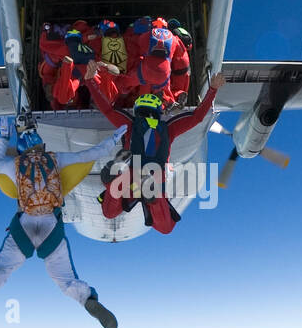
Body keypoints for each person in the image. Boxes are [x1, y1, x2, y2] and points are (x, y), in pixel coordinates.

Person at [0, 118, 124, 328]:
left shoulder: (13, 165)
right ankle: (87, 300)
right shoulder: (56, 159)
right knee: (65, 280)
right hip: (51, 227)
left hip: (24, 227)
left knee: (3, 268)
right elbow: (88, 155)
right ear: (42, 146)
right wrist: (113, 139)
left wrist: (3, 138)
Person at [85, 67, 226, 234]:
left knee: (109, 213)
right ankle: (152, 196)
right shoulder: (168, 128)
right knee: (165, 227)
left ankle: (113, 182)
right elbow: (197, 117)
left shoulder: (130, 124)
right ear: (159, 111)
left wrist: (90, 81)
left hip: (131, 175)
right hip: (154, 177)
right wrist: (212, 90)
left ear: (138, 108)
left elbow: (107, 109)